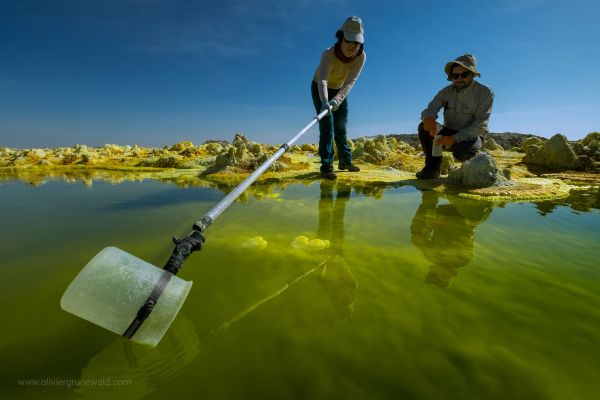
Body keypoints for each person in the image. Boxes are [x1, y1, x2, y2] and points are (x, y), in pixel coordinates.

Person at [416, 54, 494, 179]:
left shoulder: (485, 92)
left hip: (472, 137)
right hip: (447, 134)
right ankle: (432, 168)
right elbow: (431, 108)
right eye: (455, 75)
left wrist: (454, 138)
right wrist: (428, 118)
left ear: (472, 74)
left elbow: (480, 124)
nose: (459, 78)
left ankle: (471, 171)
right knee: (423, 127)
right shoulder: (446, 92)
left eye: (463, 75)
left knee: (462, 151)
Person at [311, 16, 366, 180]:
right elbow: (323, 80)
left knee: (341, 128)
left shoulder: (361, 57)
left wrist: (338, 99)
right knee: (328, 127)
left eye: (356, 42)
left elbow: (351, 81)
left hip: (341, 90)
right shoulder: (328, 54)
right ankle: (327, 166)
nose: (352, 46)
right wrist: (325, 102)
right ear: (341, 38)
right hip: (320, 88)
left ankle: (345, 161)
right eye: (348, 40)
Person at [410, 190, 492, 288]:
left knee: (417, 231)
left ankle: (429, 196)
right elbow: (466, 231)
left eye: (431, 273)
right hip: (466, 216)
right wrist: (444, 224)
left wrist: (426, 228)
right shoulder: (463, 259)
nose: (432, 270)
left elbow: (418, 238)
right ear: (450, 274)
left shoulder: (431, 256)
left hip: (444, 215)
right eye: (435, 274)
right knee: (477, 215)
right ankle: (433, 198)